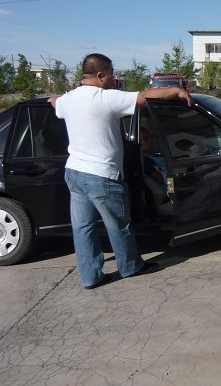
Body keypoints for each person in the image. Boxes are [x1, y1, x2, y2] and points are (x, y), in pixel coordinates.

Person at [50, 53, 192, 289]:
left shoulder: (68, 100)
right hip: (101, 175)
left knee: (83, 228)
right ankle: (130, 266)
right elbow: (145, 97)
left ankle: (90, 277)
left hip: (74, 173)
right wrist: (177, 92)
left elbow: (55, 104)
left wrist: (54, 99)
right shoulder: (105, 98)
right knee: (118, 225)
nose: (114, 78)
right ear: (100, 75)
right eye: (111, 73)